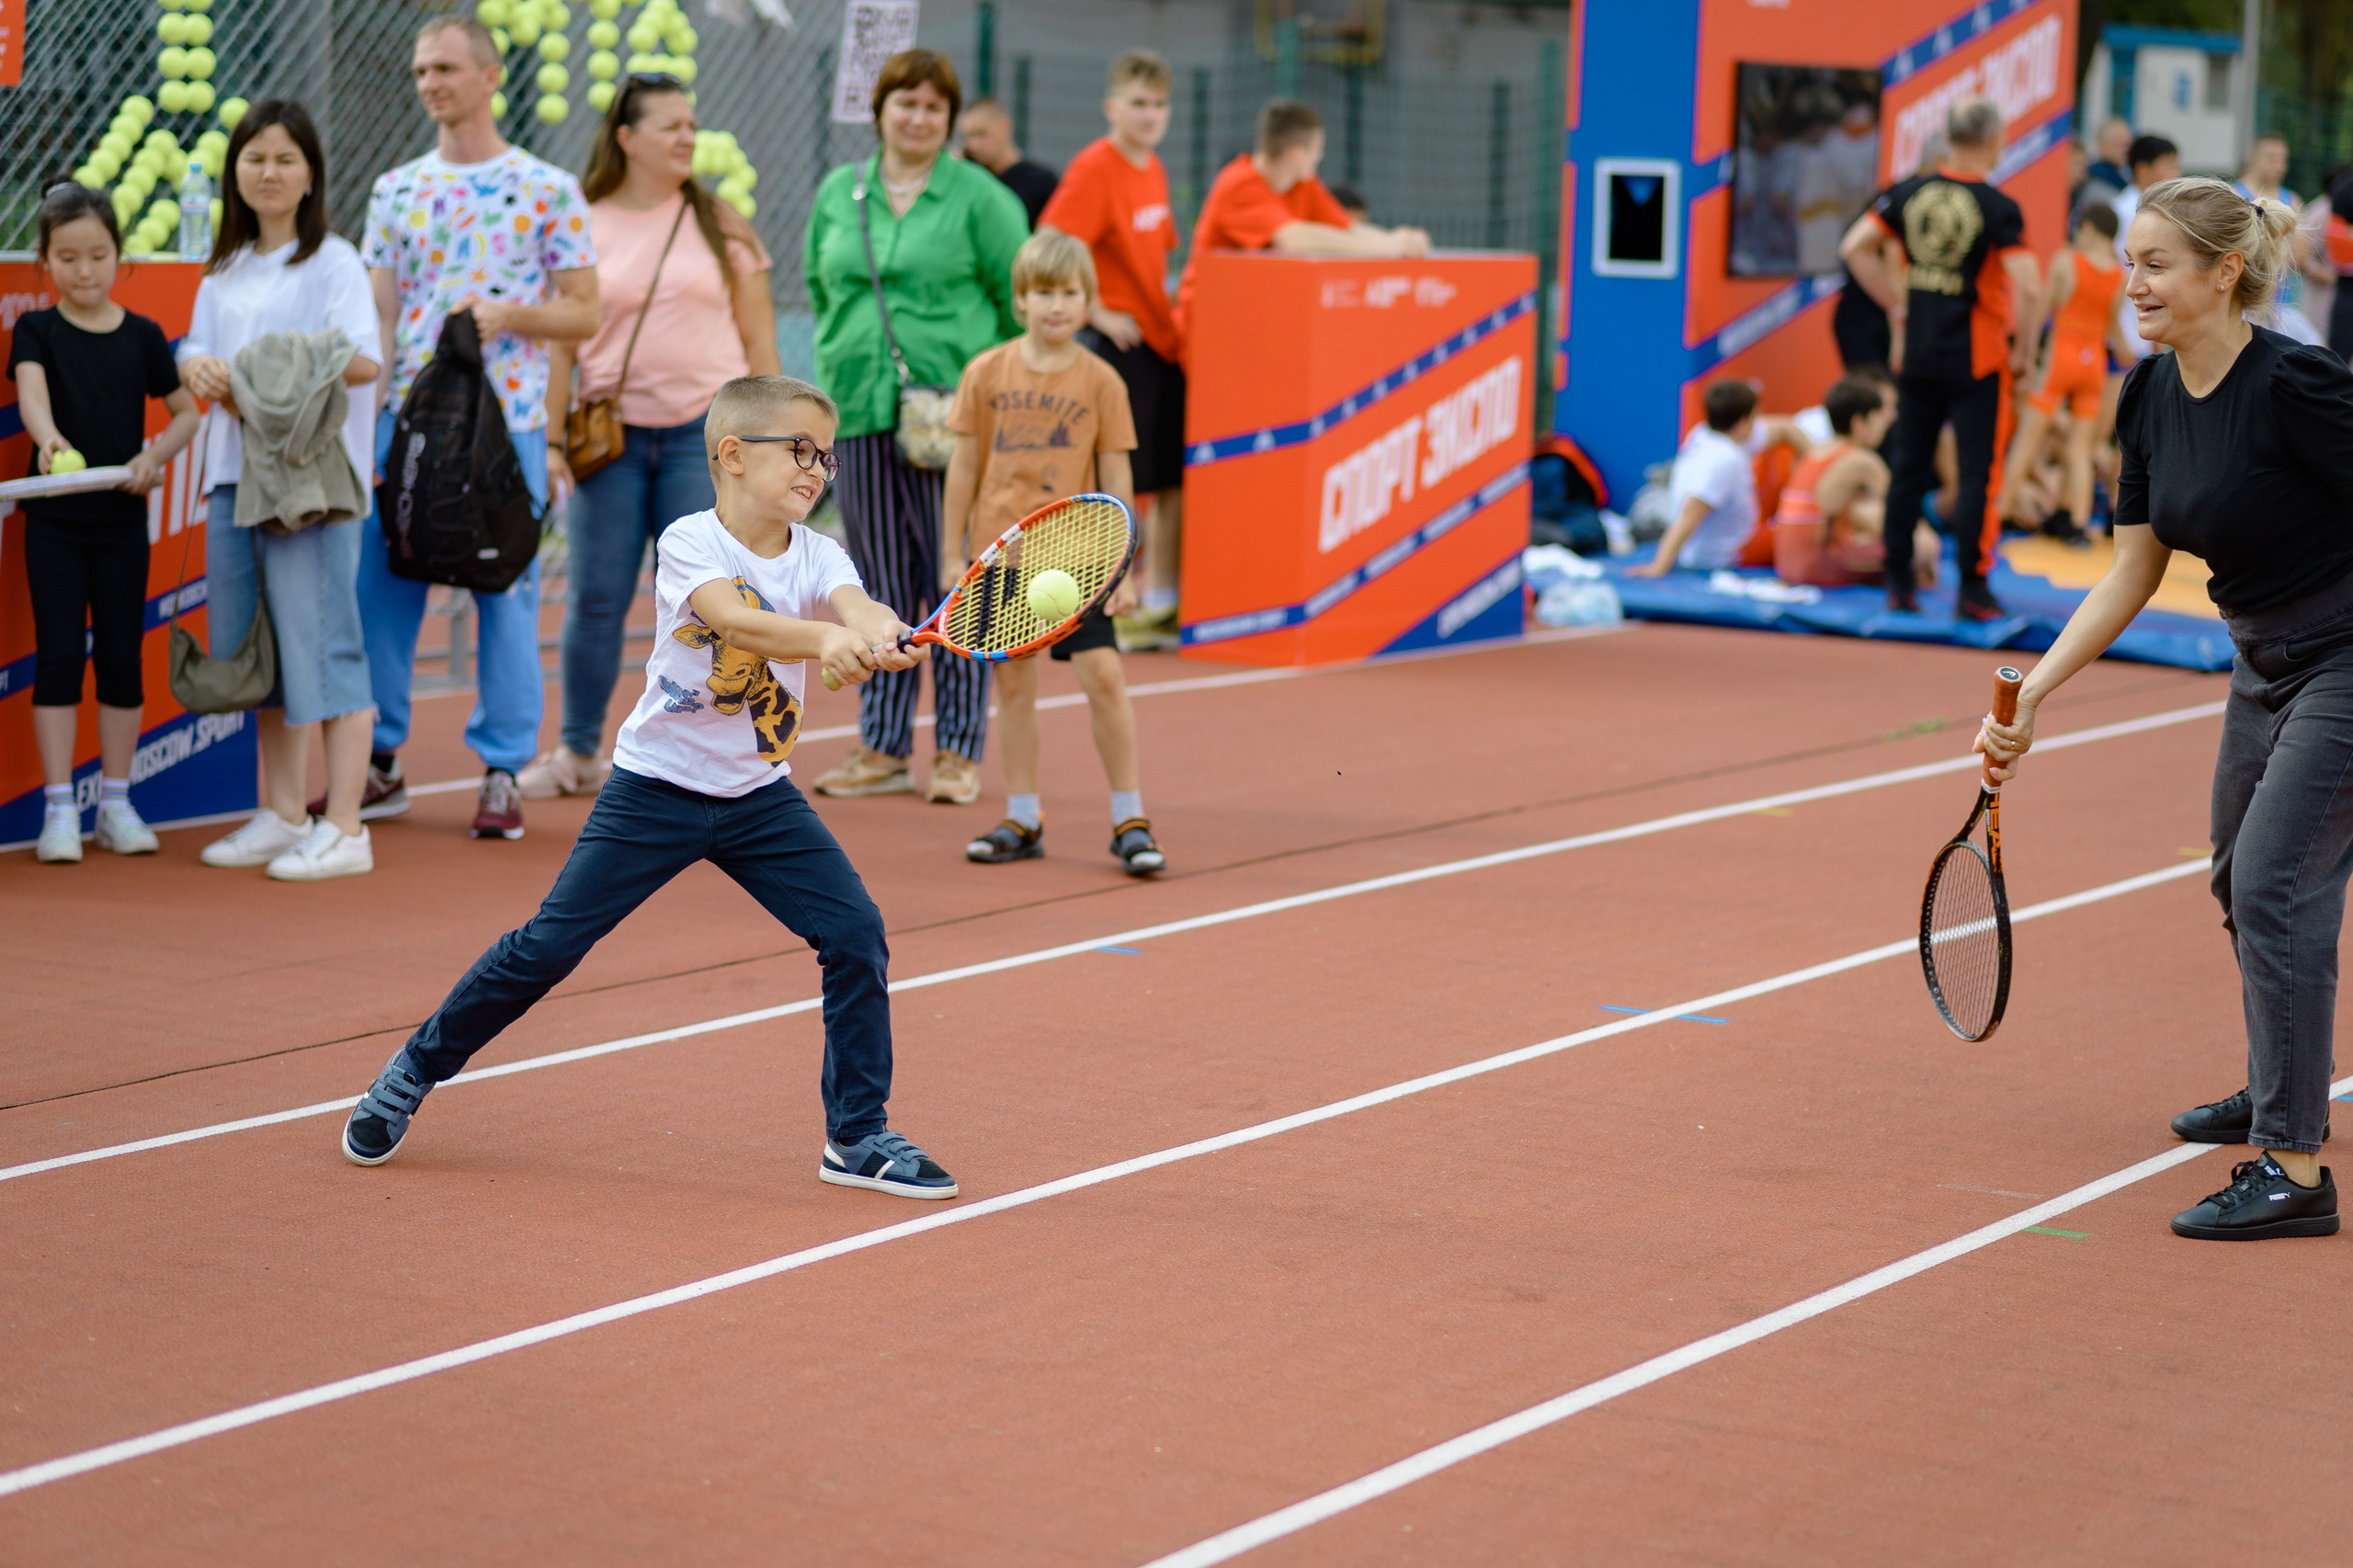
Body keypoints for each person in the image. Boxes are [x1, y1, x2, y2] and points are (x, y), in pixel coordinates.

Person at [338, 375, 959, 1200]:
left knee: (855, 935)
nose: (817, 470)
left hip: (759, 797)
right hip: (654, 789)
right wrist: (825, 641)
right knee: (546, 949)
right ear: (732, 455)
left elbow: (859, 603)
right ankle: (414, 1070)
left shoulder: (819, 553)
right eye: (800, 451)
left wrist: (880, 631)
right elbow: (736, 622)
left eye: (827, 457)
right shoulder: (689, 540)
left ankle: (856, 1135)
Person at [1979, 177, 2347, 1242]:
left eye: (2154, 264)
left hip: (2344, 655)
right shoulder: (2144, 393)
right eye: (2128, 263)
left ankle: (2292, 1165)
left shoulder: (2294, 383)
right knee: (2239, 876)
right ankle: (2280, 1081)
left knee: (2275, 877)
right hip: (2257, 658)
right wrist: (2031, 693)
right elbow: (2130, 571)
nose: (2130, 283)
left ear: (2223, 273)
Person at [354, 15, 600, 839]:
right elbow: (381, 319)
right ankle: (379, 760)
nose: (431, 83)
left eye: (447, 69)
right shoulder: (394, 190)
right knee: (383, 587)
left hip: (511, 426)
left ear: (491, 77)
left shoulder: (548, 188)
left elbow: (584, 311)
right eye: (422, 70)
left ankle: (501, 770)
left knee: (506, 594)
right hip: (410, 428)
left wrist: (508, 314)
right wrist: (369, 433)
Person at [526, 71, 781, 801]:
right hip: (610, 444)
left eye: (690, 125)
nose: (687, 137)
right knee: (597, 599)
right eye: (670, 126)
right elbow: (561, 348)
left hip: (707, 443)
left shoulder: (721, 222)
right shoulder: (582, 222)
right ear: (627, 138)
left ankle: (708, 758)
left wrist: (773, 440)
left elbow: (760, 342)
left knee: (710, 605)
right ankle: (578, 750)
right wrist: (550, 441)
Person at [804, 49, 1027, 806]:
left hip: (952, 419)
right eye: (905, 103)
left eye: (934, 106)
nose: (918, 118)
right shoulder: (841, 192)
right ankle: (884, 744)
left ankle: (959, 749)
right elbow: (820, 286)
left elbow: (1014, 301)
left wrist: (988, 393)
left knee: (957, 576)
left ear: (950, 118)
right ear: (880, 111)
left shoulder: (981, 198)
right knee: (879, 579)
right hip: (859, 409)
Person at [176, 100, 384, 881]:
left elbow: (362, 361)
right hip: (232, 476)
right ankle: (285, 812)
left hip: (310, 486)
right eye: (255, 157)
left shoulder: (333, 260)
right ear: (234, 171)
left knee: (325, 647)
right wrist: (196, 365)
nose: (268, 171)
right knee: (258, 652)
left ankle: (347, 826)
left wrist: (256, 376)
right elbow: (199, 347)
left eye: (284, 158)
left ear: (310, 175)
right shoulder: (224, 268)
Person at [945, 232, 1165, 876]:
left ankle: (1130, 819)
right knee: (1014, 685)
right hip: (1000, 559)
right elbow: (964, 466)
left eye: (1070, 293)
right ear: (1020, 300)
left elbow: (1117, 477)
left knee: (1105, 678)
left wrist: (1125, 570)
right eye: (1044, 292)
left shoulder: (1102, 380)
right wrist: (952, 554)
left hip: (1078, 562)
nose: (1057, 305)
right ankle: (1023, 817)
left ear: (1088, 301)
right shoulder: (985, 372)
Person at [16, 183, 200, 865]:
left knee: (121, 658)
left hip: (122, 522)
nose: (84, 270)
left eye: (97, 255)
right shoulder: (37, 331)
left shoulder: (144, 335)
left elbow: (186, 413)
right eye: (67, 258)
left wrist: (152, 458)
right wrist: (49, 441)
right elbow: (32, 395)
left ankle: (116, 804)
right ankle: (60, 809)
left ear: (120, 255)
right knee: (60, 657)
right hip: (54, 523)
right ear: (45, 261)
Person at [1839, 96, 2042, 620]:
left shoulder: (1907, 193)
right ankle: (1972, 589)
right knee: (1977, 475)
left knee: (1907, 468)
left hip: (1920, 354)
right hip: (1977, 360)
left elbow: (1854, 247)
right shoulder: (1997, 205)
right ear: (1995, 141)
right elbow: (2029, 285)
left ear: (1948, 139)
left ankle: (1898, 581)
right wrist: (2024, 350)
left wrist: (1897, 304)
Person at [1039, 50, 1187, 653]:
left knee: (1171, 478)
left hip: (1160, 341)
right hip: (1119, 347)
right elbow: (1051, 241)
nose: (1150, 114)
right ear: (1112, 107)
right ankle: (1101, 604)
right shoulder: (1095, 167)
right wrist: (1096, 310)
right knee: (1115, 482)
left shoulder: (1153, 166)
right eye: (1138, 103)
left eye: (1159, 104)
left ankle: (1160, 602)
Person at [1174, 98, 1430, 341]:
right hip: (1207, 329)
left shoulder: (1303, 184)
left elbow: (1347, 228)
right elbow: (1292, 239)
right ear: (1297, 154)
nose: (1320, 157)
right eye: (1318, 149)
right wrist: (1387, 246)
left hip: (1255, 325)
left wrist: (1399, 239)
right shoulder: (1238, 185)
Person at [1997, 203, 2124, 542]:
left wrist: (2026, 353)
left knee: (2028, 439)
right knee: (2080, 449)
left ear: (2088, 229)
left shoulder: (2067, 261)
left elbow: (2041, 310)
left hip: (2061, 356)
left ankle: (2000, 513)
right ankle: (2078, 523)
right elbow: (2112, 326)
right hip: (2093, 361)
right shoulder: (2118, 275)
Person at [1628, 380, 1807, 577]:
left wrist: (1814, 462)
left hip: (1724, 538)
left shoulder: (1703, 433)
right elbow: (1689, 516)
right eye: (1755, 417)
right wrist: (1659, 566)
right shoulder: (1723, 462)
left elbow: (1786, 429)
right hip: (1727, 553)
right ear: (1743, 423)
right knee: (1802, 533)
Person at [1772, 373, 1918, 588]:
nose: (1886, 422)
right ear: (1859, 422)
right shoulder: (1861, 460)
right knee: (1923, 546)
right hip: (1813, 567)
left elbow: (1826, 508)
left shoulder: (1815, 452)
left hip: (1787, 566)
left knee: (1871, 523)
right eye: (1878, 416)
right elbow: (1902, 516)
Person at [2234, 132, 2323, 346]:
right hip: (2241, 303)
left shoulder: (2291, 199)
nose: (2280, 166)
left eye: (2283, 160)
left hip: (2281, 304)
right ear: (2251, 158)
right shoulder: (2233, 196)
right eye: (2272, 159)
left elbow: (2300, 256)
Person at [2109, 135, 2181, 364]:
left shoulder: (2160, 212)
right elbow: (2112, 275)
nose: (2176, 173)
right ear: (2142, 169)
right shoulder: (2122, 212)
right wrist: (2117, 336)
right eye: (2169, 165)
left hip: (2147, 331)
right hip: (2125, 332)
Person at [957, 97, 1058, 228]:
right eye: (967, 137)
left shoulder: (1041, 182)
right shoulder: (969, 179)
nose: (973, 145)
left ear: (1005, 126)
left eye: (981, 134)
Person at [2081, 117, 2133, 203]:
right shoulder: (2094, 177)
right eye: (2117, 143)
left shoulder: (2126, 173)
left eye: (2127, 144)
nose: (2125, 149)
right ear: (2101, 144)